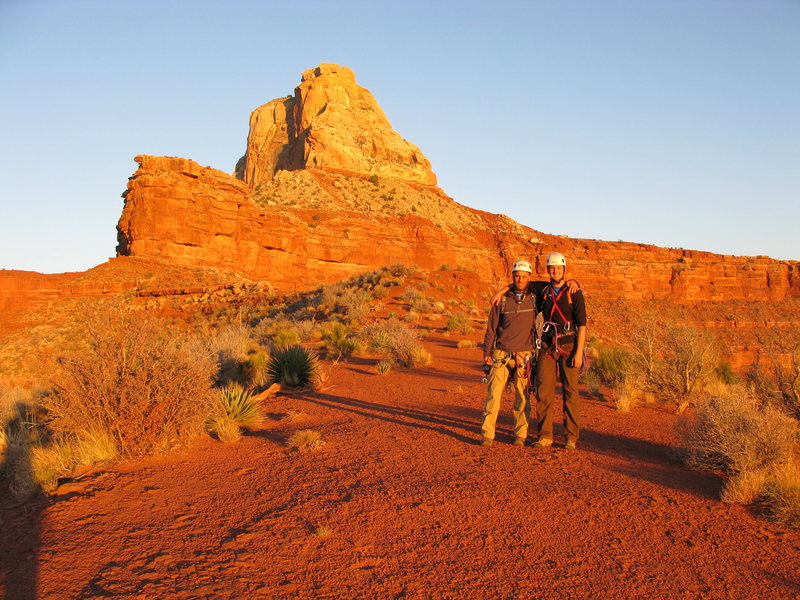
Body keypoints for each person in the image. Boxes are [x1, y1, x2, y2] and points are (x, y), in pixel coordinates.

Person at [490, 252, 586, 450]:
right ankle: (545, 436)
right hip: (547, 345)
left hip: (569, 346)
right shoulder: (542, 288)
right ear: (548, 270)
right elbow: (519, 283)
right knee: (543, 392)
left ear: (564, 270)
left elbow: (582, 325)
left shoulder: (573, 292)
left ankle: (571, 438)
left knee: (570, 392)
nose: (555, 271)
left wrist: (579, 353)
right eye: (552, 268)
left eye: (559, 268)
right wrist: (500, 292)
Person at [480, 260, 537, 447]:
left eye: (523, 275)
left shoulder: (535, 297)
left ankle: (520, 434)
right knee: (493, 395)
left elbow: (553, 285)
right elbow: (491, 328)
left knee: (522, 397)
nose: (520, 279)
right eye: (517, 276)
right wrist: (486, 352)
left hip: (524, 354)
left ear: (529, 277)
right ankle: (487, 434)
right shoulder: (502, 300)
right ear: (513, 277)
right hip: (501, 353)